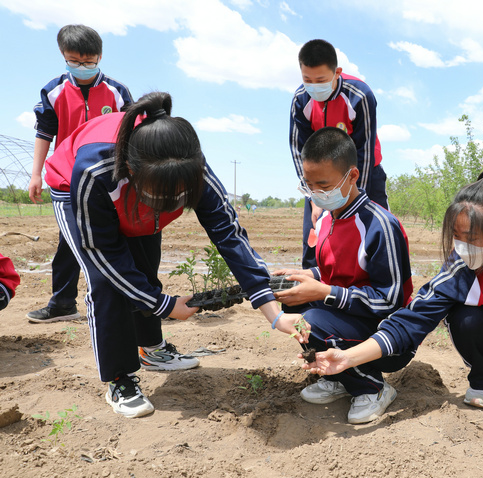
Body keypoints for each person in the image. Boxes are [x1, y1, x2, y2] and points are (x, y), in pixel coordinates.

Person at [43, 91, 308, 418]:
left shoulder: (190, 167)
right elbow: (104, 254)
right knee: (109, 284)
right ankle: (119, 378)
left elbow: (229, 235)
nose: (172, 207)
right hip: (73, 192)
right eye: (161, 198)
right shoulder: (93, 170)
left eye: (180, 198)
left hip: (139, 191)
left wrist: (274, 314)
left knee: (145, 270)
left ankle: (152, 350)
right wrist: (163, 305)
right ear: (131, 170)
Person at [301, 170, 483, 413]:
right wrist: (349, 357)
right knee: (465, 319)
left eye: (472, 238)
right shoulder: (460, 266)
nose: (462, 246)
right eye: (456, 236)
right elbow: (410, 322)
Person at [274, 127, 414, 424]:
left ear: (352, 176)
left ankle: (373, 387)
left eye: (323, 185)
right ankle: (338, 377)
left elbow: (391, 300)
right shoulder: (327, 219)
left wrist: (324, 292)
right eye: (309, 186)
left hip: (389, 332)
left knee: (311, 321)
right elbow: (336, 271)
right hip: (352, 313)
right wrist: (305, 275)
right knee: (292, 298)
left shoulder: (379, 225)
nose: (316, 194)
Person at [27, 24, 133, 324]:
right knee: (70, 240)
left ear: (99, 57)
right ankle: (63, 303)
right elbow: (45, 131)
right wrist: (36, 174)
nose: (82, 67)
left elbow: (133, 131)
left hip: (109, 175)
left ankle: (132, 298)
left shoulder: (117, 91)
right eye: (75, 61)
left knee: (118, 234)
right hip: (68, 176)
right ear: (63, 56)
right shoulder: (54, 90)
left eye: (89, 62)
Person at [290, 39, 387, 269]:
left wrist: (354, 199)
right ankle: (313, 297)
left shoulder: (359, 96)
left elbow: (365, 151)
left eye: (321, 80)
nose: (313, 87)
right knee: (314, 238)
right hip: (320, 180)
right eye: (307, 80)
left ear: (337, 73)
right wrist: (314, 196)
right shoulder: (300, 100)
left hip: (363, 174)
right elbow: (298, 150)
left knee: (371, 234)